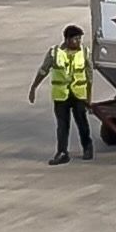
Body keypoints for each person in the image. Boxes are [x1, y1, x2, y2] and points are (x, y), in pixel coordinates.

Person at [28, 23, 95, 164]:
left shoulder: (84, 52)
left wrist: (89, 97)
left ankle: (87, 147)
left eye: (79, 39)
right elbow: (43, 70)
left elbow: (89, 76)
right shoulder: (55, 53)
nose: (78, 42)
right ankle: (62, 152)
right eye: (75, 39)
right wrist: (34, 87)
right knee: (62, 125)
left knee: (82, 122)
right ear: (67, 39)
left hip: (78, 94)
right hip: (61, 95)